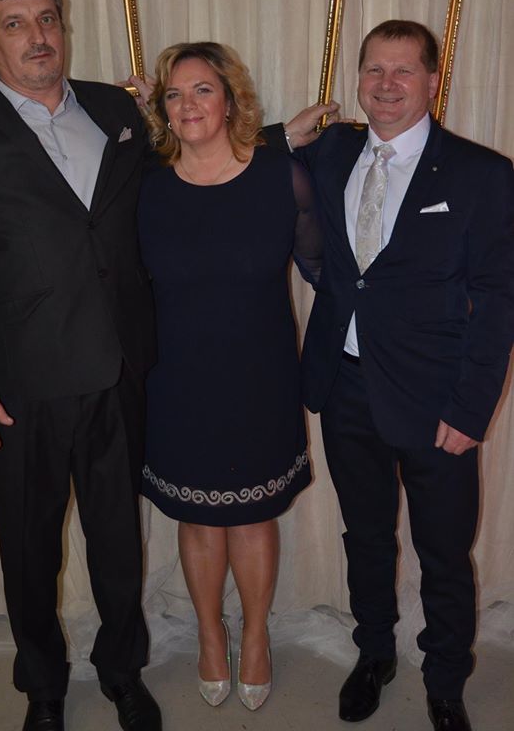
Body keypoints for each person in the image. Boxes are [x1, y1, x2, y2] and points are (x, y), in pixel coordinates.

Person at [0, 0, 162, 731]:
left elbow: (180, 183)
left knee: (118, 542)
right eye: (15, 24)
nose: (37, 35)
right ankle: (43, 688)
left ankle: (122, 670)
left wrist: (276, 140)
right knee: (28, 551)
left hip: (118, 370)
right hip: (18, 388)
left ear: (64, 23)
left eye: (46, 17)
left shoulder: (117, 108)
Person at [265, 20, 514, 731]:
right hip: (345, 385)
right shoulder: (333, 150)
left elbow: (499, 297)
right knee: (365, 536)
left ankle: (445, 680)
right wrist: (283, 137)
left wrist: (472, 408)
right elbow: (241, 167)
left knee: (444, 551)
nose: (386, 84)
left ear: (433, 80)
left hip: (438, 398)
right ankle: (374, 653)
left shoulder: (481, 173)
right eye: (374, 69)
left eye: (404, 70)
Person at [136, 41, 322, 711]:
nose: (188, 105)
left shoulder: (280, 176)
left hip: (260, 375)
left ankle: (256, 637)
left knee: (252, 515)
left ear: (230, 99)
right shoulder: (145, 185)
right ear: (161, 109)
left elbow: (325, 273)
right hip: (176, 378)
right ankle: (211, 635)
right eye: (174, 94)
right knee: (197, 517)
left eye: (203, 90)